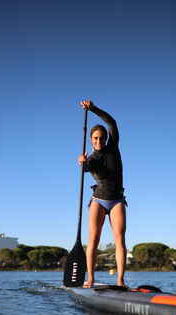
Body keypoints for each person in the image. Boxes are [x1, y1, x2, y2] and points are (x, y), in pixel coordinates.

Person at [78, 100, 127, 288]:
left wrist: (94, 109)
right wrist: (82, 162)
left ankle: (120, 281)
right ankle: (90, 279)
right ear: (91, 140)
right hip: (98, 200)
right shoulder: (92, 158)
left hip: (116, 200)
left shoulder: (113, 148)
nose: (99, 141)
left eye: (101, 138)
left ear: (106, 138)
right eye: (95, 138)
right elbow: (87, 167)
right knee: (94, 239)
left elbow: (112, 122)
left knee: (119, 239)